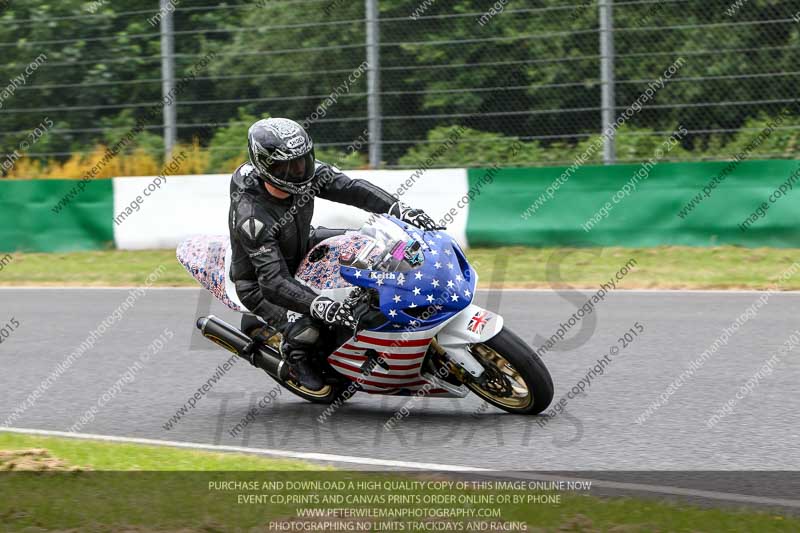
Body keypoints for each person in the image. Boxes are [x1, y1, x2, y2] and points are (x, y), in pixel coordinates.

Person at [228, 117, 437, 389]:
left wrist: (399, 209)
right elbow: (273, 281)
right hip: (260, 281)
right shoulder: (252, 216)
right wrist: (320, 305)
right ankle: (295, 356)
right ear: (265, 166)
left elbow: (353, 189)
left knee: (369, 244)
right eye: (287, 166)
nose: (300, 170)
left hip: (303, 244)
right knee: (308, 329)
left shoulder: (307, 175)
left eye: (303, 160)